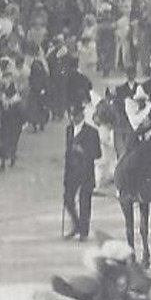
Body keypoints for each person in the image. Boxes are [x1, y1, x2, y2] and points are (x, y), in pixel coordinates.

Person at [62, 100, 101, 240]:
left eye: (75, 115)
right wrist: (66, 174)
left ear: (82, 115)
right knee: (67, 199)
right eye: (71, 115)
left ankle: (83, 232)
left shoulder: (92, 132)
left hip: (86, 172)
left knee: (85, 203)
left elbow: (97, 153)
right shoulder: (69, 130)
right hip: (72, 172)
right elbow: (67, 153)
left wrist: (82, 151)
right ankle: (77, 224)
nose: (73, 118)